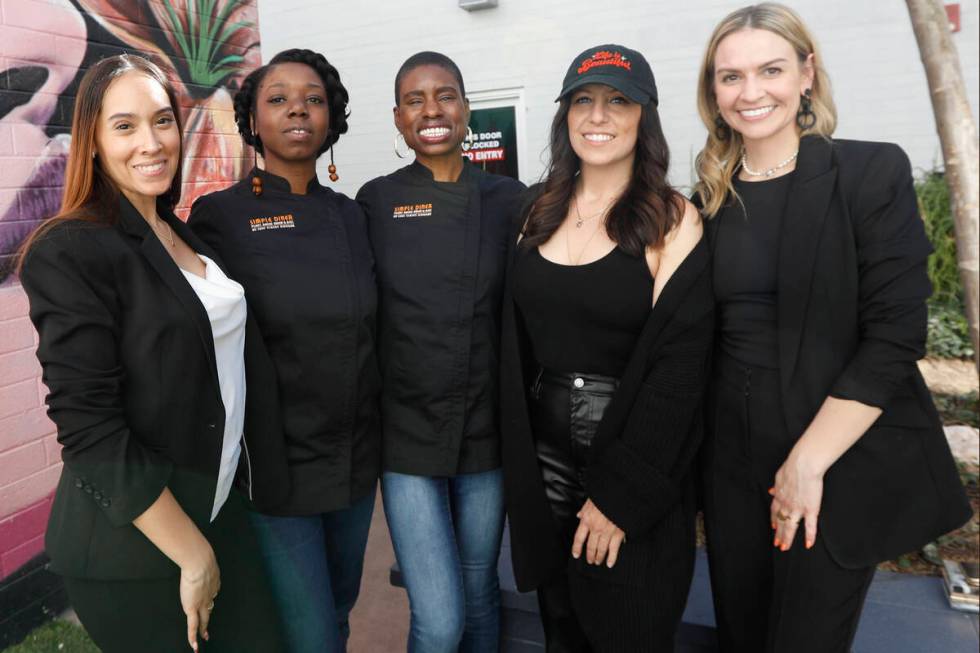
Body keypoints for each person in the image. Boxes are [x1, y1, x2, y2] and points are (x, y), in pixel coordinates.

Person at [693, 5, 973, 652]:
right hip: (732, 472)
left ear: (807, 74)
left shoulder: (869, 172)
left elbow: (897, 332)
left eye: (770, 70)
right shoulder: (706, 199)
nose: (751, 91)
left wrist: (807, 462)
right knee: (743, 637)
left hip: (834, 463)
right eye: (730, 76)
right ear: (713, 90)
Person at [17, 54, 287, 653]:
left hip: (218, 509)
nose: (151, 142)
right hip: (137, 545)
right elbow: (88, 426)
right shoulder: (72, 250)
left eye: (162, 120)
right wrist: (190, 553)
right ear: (90, 141)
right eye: (124, 125)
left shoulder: (176, 229)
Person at [500, 44, 712, 652]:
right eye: (584, 100)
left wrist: (621, 496)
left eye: (619, 101)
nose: (599, 116)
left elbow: (679, 371)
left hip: (634, 448)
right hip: (542, 456)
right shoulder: (533, 210)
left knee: (631, 626)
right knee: (560, 623)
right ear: (565, 115)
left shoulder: (673, 218)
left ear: (645, 117)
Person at [187, 49, 380, 653]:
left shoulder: (352, 216)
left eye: (314, 98)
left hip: (354, 458)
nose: (298, 107)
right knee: (311, 635)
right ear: (252, 122)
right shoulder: (219, 216)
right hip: (276, 464)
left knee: (341, 612)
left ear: (332, 119)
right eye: (278, 98)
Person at [356, 51, 525, 652]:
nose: (432, 110)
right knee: (440, 617)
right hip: (407, 437)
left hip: (486, 430)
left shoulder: (511, 199)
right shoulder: (375, 202)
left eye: (445, 95)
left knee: (480, 596)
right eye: (415, 99)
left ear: (466, 109)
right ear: (398, 119)